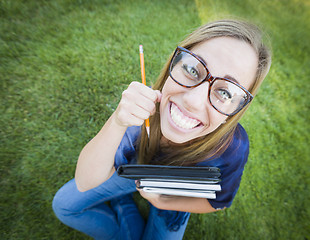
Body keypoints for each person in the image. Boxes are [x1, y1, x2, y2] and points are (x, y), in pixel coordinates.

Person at [52, 19, 271, 240]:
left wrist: (162, 200)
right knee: (64, 205)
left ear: (234, 112)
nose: (193, 101)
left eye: (225, 93)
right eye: (192, 69)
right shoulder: (141, 113)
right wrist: (118, 121)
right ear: (172, 65)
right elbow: (84, 181)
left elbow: (217, 202)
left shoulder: (233, 148)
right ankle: (124, 200)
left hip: (179, 189)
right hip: (135, 169)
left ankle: (122, 202)